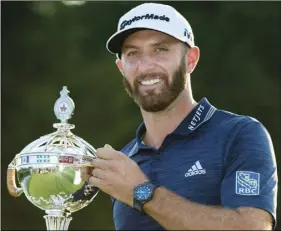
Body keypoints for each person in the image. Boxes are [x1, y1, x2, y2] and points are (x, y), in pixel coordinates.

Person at [81, 3, 278, 230]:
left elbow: (252, 226)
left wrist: (142, 192)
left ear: (190, 60)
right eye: (133, 53)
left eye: (160, 50)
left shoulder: (239, 134)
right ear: (121, 67)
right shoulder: (124, 161)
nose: (145, 66)